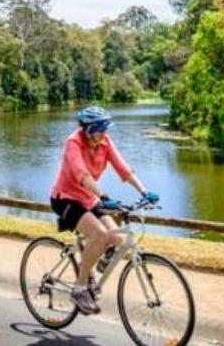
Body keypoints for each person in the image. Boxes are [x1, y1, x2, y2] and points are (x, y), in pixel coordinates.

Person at [50, 106, 158, 315]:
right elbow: (82, 175)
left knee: (117, 239)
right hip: (66, 199)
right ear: (88, 130)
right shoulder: (74, 143)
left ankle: (89, 262)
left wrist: (145, 191)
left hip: (89, 198)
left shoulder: (104, 142)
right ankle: (79, 289)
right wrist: (104, 196)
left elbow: (123, 169)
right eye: (100, 129)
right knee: (100, 234)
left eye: (105, 129)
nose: (104, 134)